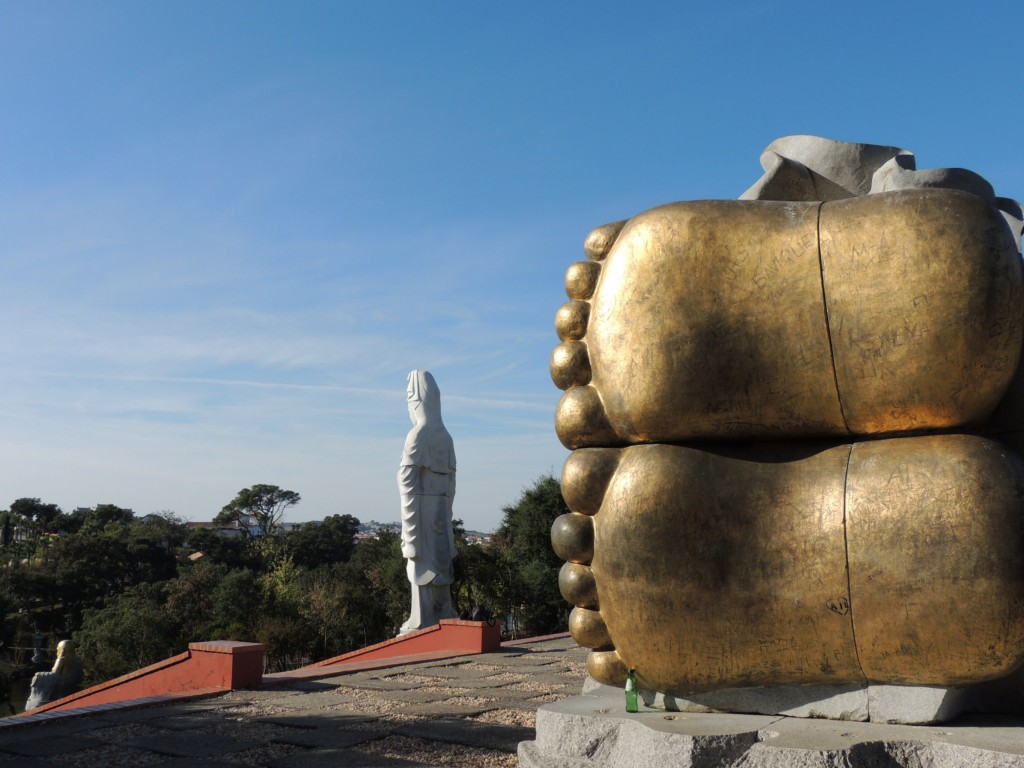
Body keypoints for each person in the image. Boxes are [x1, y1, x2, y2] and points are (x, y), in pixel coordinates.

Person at [398, 370, 457, 634]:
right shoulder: (446, 437)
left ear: (420, 401)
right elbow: (451, 482)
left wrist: (409, 531)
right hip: (441, 513)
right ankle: (440, 613)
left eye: (410, 400)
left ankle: (423, 619)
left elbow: (407, 480)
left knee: (423, 565)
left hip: (422, 513)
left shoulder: (418, 435)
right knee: (439, 562)